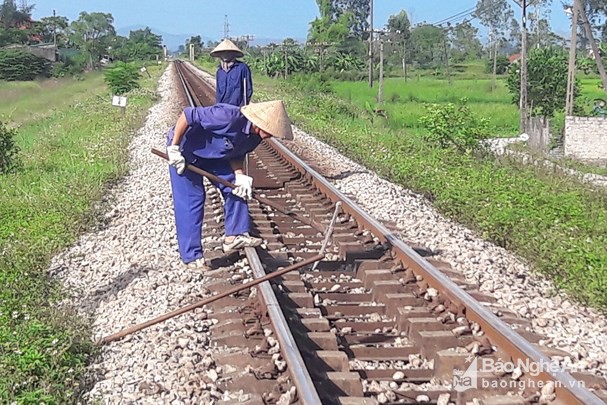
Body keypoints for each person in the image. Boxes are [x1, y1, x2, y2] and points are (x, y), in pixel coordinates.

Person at [165, 100, 293, 269]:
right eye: (271, 131)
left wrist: (239, 176)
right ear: (260, 123)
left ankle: (234, 236)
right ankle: (191, 257)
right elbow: (188, 115)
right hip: (185, 151)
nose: (271, 136)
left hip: (214, 156)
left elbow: (236, 152)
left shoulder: (256, 137)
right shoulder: (228, 116)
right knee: (192, 201)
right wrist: (174, 148)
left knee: (236, 189)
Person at [210, 39, 253, 107]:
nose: (225, 54)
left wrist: (243, 107)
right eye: (223, 52)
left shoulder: (242, 68)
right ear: (219, 54)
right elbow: (218, 92)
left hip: (237, 109)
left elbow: (248, 90)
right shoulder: (219, 72)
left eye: (228, 52)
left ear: (234, 54)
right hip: (222, 108)